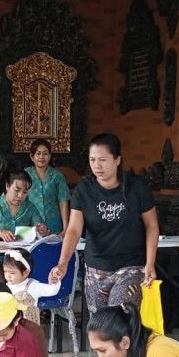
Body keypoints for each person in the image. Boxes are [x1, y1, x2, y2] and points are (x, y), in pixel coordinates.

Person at [49, 133, 159, 313]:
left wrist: (150, 263)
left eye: (102, 160)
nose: (96, 165)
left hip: (131, 265)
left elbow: (152, 226)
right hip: (96, 268)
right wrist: (63, 263)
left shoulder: (136, 186)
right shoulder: (84, 189)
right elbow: (74, 229)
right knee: (100, 325)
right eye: (92, 160)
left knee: (118, 318)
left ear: (117, 160)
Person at [0, 169, 49, 281]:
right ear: (7, 186)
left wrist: (44, 231)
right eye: (17, 190)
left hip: (21, 262)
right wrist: (0, 232)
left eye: (24, 192)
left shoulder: (30, 208)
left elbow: (41, 230)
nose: (20, 196)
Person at [2, 248, 60, 326]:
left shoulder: (33, 285)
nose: (8, 276)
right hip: (12, 326)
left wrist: (55, 281)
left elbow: (51, 290)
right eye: (5, 271)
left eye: (12, 273)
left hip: (30, 327)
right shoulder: (6, 287)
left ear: (25, 272)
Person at [25, 138, 71, 236]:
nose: (41, 157)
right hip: (31, 226)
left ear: (50, 156)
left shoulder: (57, 176)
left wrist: (65, 229)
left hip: (54, 226)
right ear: (32, 156)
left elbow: (63, 202)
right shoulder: (25, 174)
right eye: (38, 153)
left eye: (45, 153)